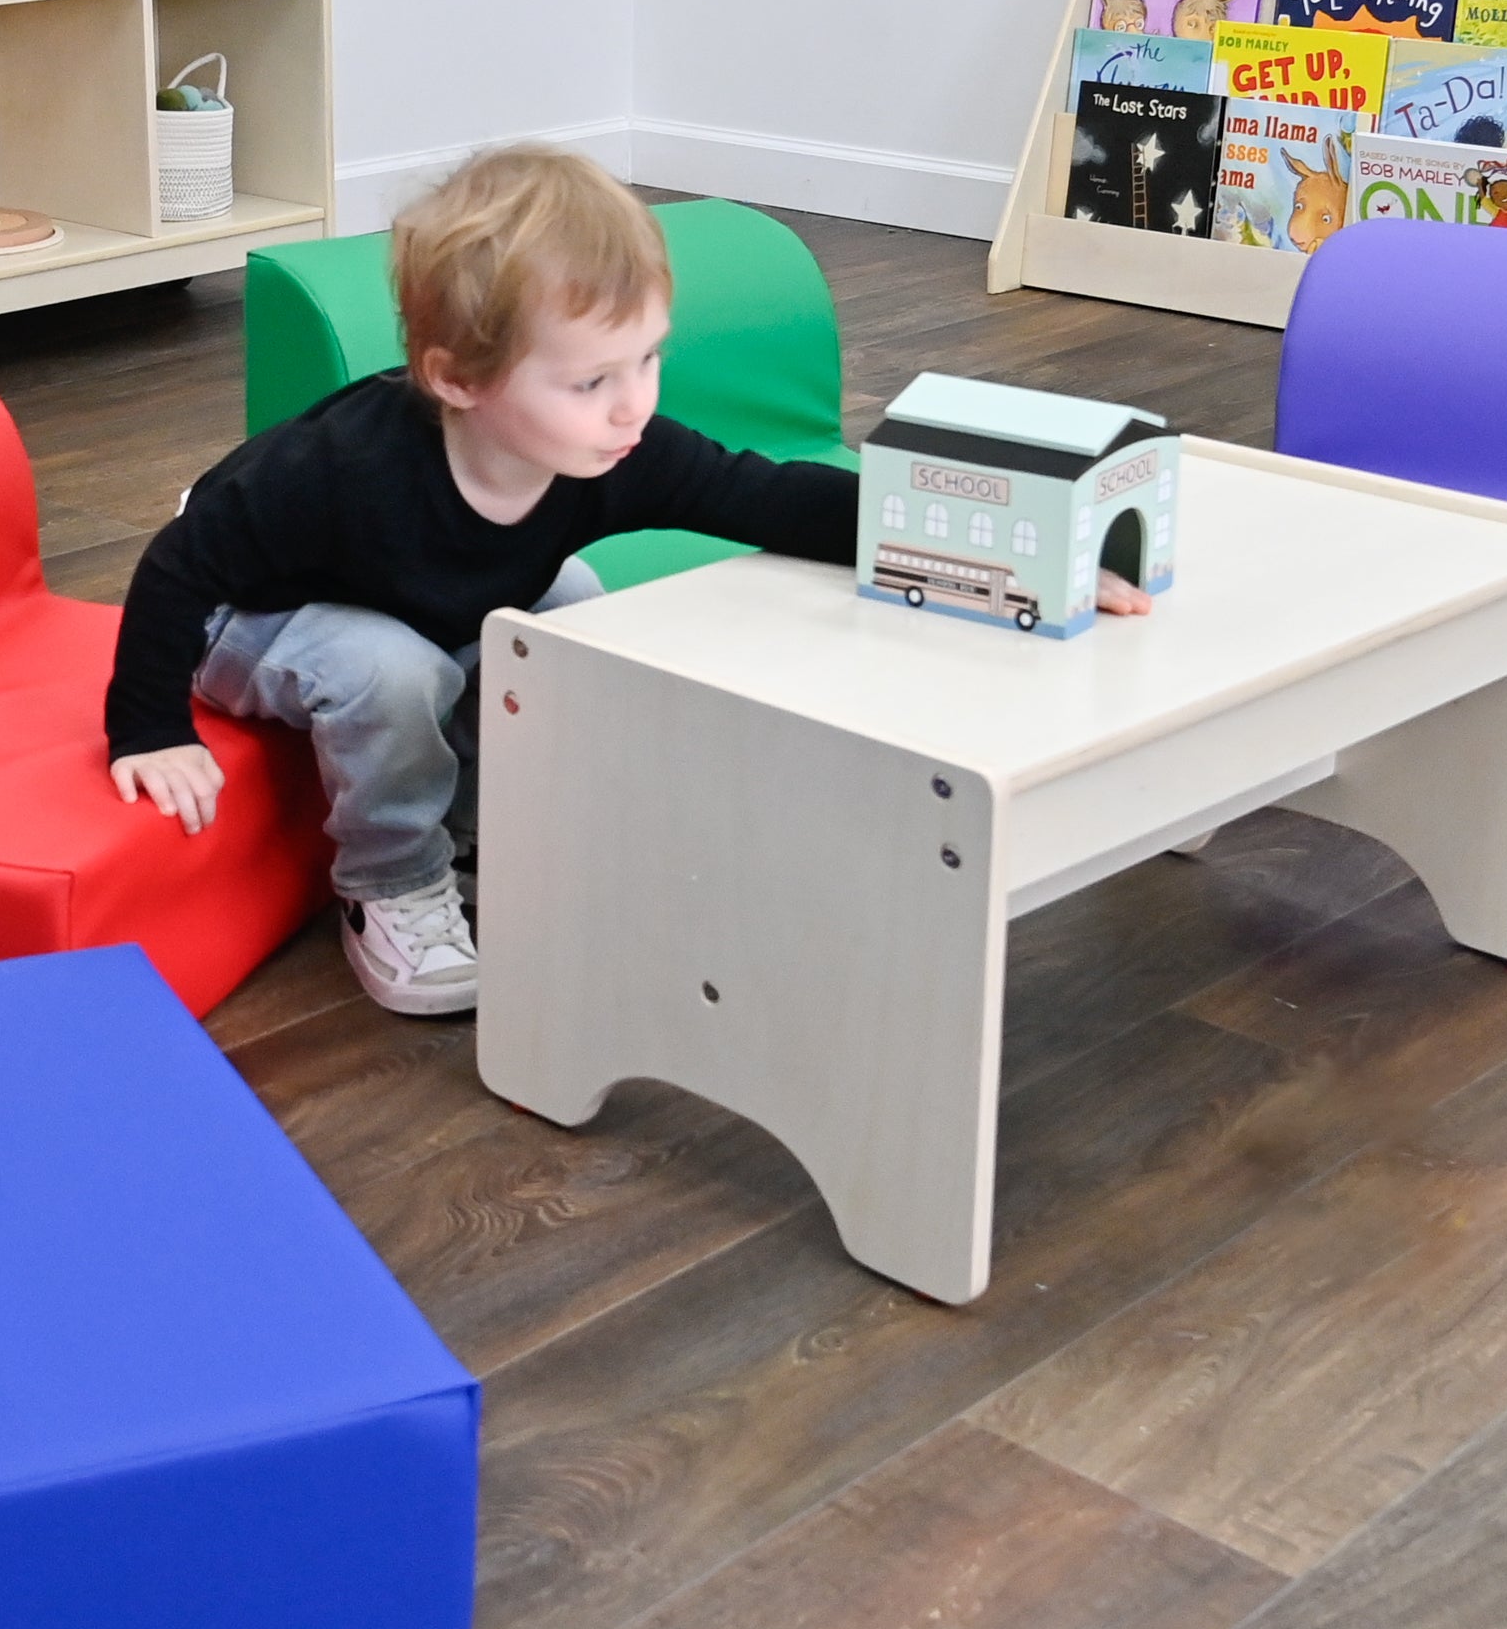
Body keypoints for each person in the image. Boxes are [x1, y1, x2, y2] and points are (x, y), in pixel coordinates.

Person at [106, 146, 1144, 1018]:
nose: (632, 405)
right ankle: (392, 885)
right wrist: (146, 729)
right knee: (391, 671)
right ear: (456, 379)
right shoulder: (341, 473)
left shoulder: (611, 450)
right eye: (590, 380)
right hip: (251, 612)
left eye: (647, 360)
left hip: (423, 602)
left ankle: (487, 830)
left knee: (573, 605)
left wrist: (1002, 556)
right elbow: (178, 564)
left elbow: (775, 499)